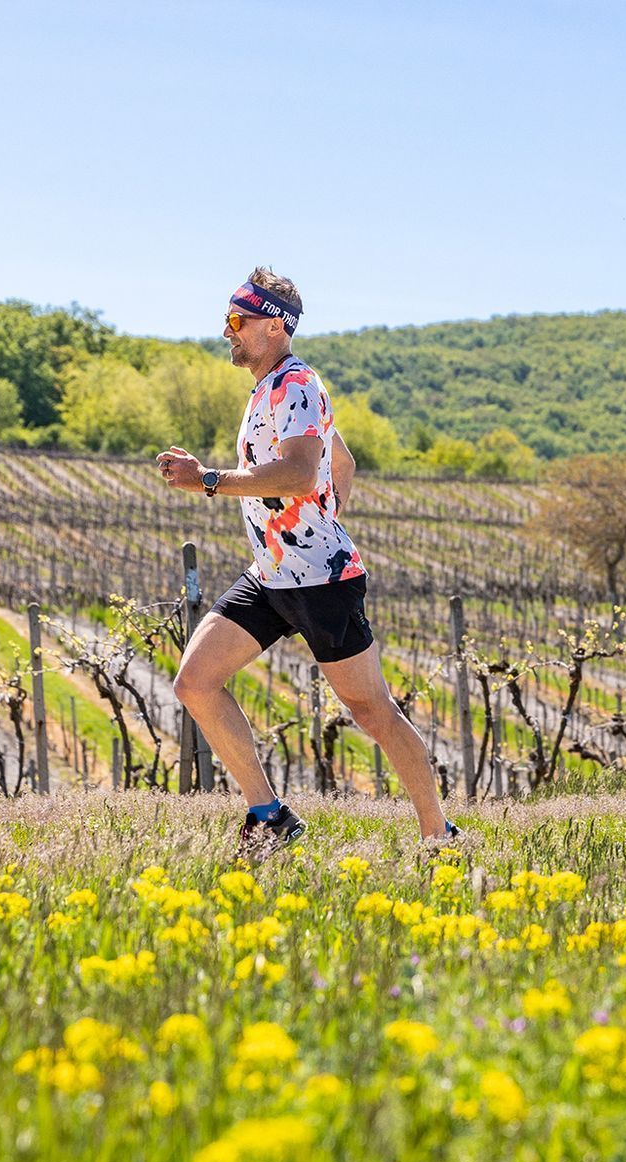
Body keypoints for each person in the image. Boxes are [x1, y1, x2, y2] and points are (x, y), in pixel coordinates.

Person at [155, 268, 457, 856]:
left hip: (321, 580)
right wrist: (329, 509)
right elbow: (339, 460)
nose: (227, 331)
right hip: (271, 575)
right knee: (195, 682)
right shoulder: (271, 389)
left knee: (371, 711)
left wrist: (208, 480)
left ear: (275, 325)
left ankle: (438, 832)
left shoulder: (296, 384)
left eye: (237, 321)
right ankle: (269, 816)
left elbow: (298, 473)